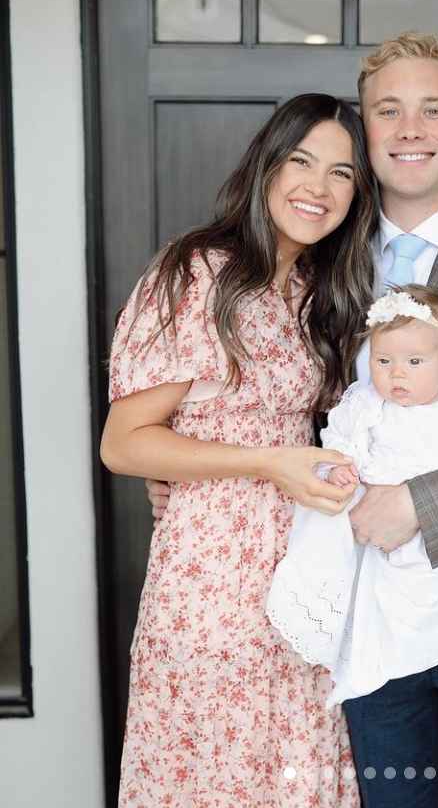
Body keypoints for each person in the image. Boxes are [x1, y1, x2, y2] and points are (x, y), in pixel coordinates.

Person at [148, 32, 438, 808]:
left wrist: (420, 505)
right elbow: (275, 400)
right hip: (363, 626)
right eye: (388, 111)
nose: (411, 128)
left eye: (434, 109)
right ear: (366, 128)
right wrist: (188, 470)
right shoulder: (320, 255)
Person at [100, 93, 379, 807]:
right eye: (301, 161)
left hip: (300, 574)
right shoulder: (195, 272)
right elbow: (125, 443)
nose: (318, 187)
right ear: (264, 167)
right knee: (214, 779)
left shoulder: (320, 288)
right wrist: (264, 463)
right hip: (210, 582)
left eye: (342, 173)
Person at [266, 284, 438, 707]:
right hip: (374, 532)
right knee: (366, 588)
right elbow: (340, 438)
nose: (397, 374)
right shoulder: (366, 402)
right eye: (383, 360)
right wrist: (341, 465)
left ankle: (412, 643)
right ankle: (363, 665)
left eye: (414, 362)